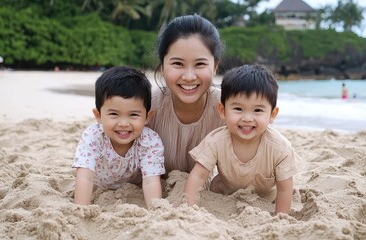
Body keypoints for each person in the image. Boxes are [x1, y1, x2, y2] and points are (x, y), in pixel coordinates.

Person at [184, 64, 302, 214]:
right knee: (215, 184)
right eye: (238, 109)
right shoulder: (216, 141)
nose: (247, 118)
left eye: (258, 110)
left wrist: (281, 217)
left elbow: (285, 188)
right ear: (222, 110)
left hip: (267, 198)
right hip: (225, 193)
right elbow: (197, 176)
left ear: (272, 114)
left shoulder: (279, 147)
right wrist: (187, 209)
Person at [72, 66, 165, 206]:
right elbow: (85, 176)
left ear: (147, 117)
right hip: (99, 185)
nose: (123, 123)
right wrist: (80, 208)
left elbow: (151, 180)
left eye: (133, 115)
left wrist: (156, 209)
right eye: (114, 114)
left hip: (134, 188)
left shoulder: (150, 140)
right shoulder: (93, 137)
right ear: (98, 115)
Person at [148, 14, 225, 175]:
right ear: (162, 66)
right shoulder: (147, 105)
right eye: (177, 63)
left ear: (215, 66)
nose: (189, 76)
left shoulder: (227, 108)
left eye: (200, 64)